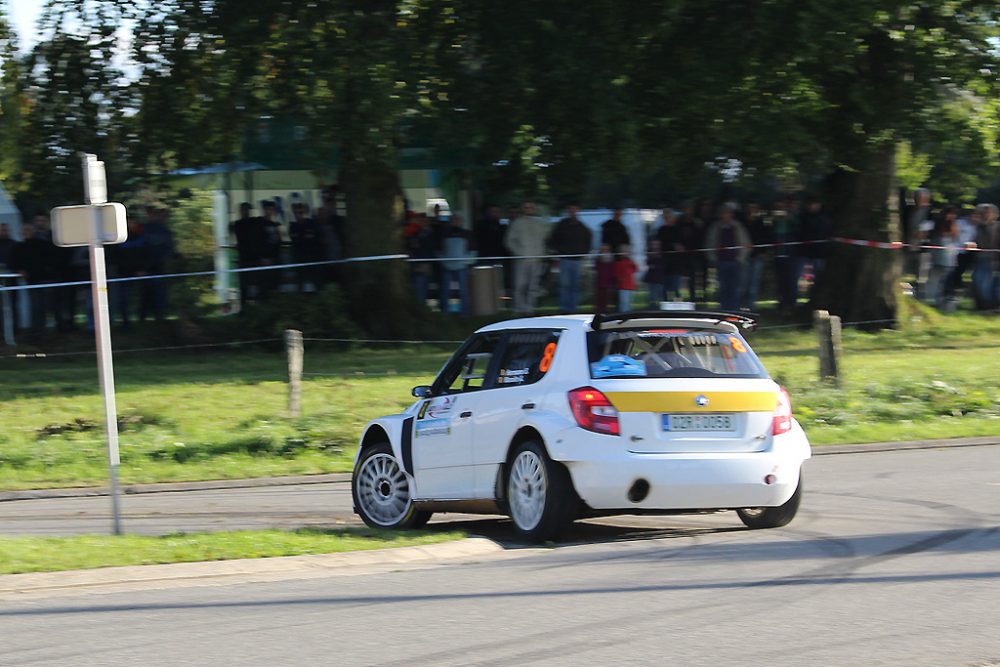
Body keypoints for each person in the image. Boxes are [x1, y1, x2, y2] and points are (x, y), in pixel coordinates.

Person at [8, 221, 52, 337]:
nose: (25, 233)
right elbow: (14, 263)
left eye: (28, 230)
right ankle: (36, 330)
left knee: (41, 306)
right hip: (31, 281)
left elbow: (48, 261)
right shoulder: (19, 248)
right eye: (24, 231)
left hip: (43, 279)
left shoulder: (42, 245)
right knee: (35, 305)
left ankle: (41, 329)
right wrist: (19, 270)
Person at [705, 203, 751, 311]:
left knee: (735, 288)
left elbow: (746, 243)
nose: (726, 215)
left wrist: (740, 259)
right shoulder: (715, 227)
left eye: (729, 213)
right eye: (724, 213)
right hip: (721, 262)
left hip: (735, 262)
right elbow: (709, 244)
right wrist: (713, 259)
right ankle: (724, 309)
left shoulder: (738, 226)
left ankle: (734, 310)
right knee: (723, 287)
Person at [547, 203, 592, 312]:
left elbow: (588, 241)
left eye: (575, 209)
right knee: (565, 285)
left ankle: (573, 308)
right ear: (568, 211)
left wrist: (583, 253)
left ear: (578, 210)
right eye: (570, 209)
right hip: (565, 259)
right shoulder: (562, 225)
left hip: (577, 260)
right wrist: (560, 251)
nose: (573, 212)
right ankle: (564, 307)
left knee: (575, 285)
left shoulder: (582, 227)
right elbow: (552, 239)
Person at [505, 202, 549, 313]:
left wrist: (541, 253)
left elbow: (544, 239)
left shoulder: (539, 223)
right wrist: (519, 252)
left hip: (536, 259)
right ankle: (518, 308)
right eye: (526, 207)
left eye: (531, 207)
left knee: (533, 285)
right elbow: (509, 241)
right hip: (522, 259)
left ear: (534, 209)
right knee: (520, 284)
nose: (529, 209)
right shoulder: (517, 223)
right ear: (523, 209)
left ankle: (530, 308)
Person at [140, 207, 176, 321]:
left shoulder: (165, 231)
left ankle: (159, 316)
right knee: (146, 293)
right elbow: (140, 248)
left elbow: (169, 248)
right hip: (147, 267)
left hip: (160, 266)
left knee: (160, 293)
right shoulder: (145, 229)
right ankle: (144, 316)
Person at [437, 215, 476, 314]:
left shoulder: (467, 234)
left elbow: (472, 250)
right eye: (453, 220)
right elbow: (439, 250)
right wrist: (444, 261)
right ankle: (444, 312)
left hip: (462, 266)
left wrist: (468, 262)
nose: (455, 222)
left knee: (464, 291)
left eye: (457, 220)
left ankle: (465, 313)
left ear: (461, 222)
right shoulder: (444, 234)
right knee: (445, 291)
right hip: (447, 266)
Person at [231, 202, 266, 308]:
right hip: (244, 258)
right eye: (243, 210)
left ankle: (258, 304)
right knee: (244, 285)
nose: (244, 212)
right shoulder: (239, 224)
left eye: (246, 210)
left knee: (258, 282)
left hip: (253, 257)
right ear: (240, 211)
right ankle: (244, 306)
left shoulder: (254, 222)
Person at [926, 207, 962, 311]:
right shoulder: (935, 225)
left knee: (944, 281)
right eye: (949, 213)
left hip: (949, 258)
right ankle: (930, 299)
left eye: (953, 214)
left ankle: (940, 301)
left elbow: (956, 240)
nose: (951, 216)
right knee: (934, 279)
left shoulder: (954, 225)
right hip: (938, 257)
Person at [741, 201, 774, 311]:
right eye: (751, 208)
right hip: (744, 256)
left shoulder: (762, 223)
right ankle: (742, 305)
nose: (753, 211)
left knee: (754, 283)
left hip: (757, 256)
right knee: (743, 282)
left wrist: (763, 252)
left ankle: (751, 305)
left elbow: (766, 238)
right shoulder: (743, 223)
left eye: (755, 208)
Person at [797, 196, 832, 296]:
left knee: (819, 277)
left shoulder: (825, 217)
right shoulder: (803, 216)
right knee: (802, 277)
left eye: (815, 204)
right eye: (811, 204)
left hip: (820, 253)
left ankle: (816, 295)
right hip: (805, 252)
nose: (813, 206)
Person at [771, 197, 801, 313]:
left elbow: (798, 228)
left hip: (791, 253)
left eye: (782, 206)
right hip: (779, 253)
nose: (780, 209)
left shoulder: (794, 217)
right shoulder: (775, 219)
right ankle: (782, 302)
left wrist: (789, 217)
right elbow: (771, 232)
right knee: (780, 279)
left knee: (791, 279)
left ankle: (791, 303)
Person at [676, 201, 706, 302]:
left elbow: (700, 239)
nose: (688, 211)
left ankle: (693, 298)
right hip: (681, 255)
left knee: (693, 278)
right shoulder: (679, 222)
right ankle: (678, 298)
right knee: (679, 277)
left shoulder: (697, 223)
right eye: (686, 209)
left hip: (694, 254)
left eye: (690, 209)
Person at [289, 202, 323, 291]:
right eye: (296, 213)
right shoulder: (293, 226)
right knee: (300, 283)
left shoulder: (311, 223)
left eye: (300, 212)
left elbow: (316, 239)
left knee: (317, 282)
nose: (298, 215)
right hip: (300, 258)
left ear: (304, 212)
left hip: (313, 257)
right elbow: (296, 241)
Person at [971, 203, 999, 310]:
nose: (986, 215)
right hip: (980, 257)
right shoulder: (978, 226)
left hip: (993, 258)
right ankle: (982, 304)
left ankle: (989, 304)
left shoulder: (996, 226)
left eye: (989, 213)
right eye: (984, 213)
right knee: (978, 281)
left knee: (988, 283)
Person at [406, 214, 438, 306]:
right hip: (415, 262)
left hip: (425, 262)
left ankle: (421, 306)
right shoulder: (415, 233)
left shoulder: (431, 234)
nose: (422, 223)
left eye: (424, 221)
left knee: (422, 285)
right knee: (416, 286)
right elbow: (411, 245)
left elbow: (429, 247)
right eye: (420, 221)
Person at [655, 208, 683, 302]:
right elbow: (658, 245)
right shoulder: (661, 230)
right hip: (664, 263)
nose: (667, 218)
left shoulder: (678, 230)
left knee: (675, 288)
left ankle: (679, 307)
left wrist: (679, 247)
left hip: (675, 264)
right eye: (665, 217)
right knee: (664, 290)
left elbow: (682, 246)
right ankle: (665, 307)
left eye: (669, 216)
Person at [614, 244, 638, 312]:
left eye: (627, 251)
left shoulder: (630, 262)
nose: (626, 253)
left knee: (629, 304)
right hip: (623, 287)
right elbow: (617, 275)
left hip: (631, 287)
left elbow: (635, 269)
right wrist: (621, 280)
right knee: (624, 304)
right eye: (624, 251)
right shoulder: (619, 263)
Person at [594, 243, 616, 314]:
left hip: (607, 282)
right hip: (600, 282)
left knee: (606, 298)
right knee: (600, 298)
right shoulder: (598, 259)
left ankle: (605, 310)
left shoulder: (611, 260)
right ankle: (600, 310)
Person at [644, 238, 667, 307]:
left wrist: (654, 265)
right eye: (653, 244)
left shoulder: (662, 254)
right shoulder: (649, 253)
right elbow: (648, 264)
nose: (655, 246)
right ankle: (652, 309)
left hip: (659, 279)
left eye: (657, 244)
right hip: (651, 278)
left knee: (660, 296)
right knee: (652, 297)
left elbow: (662, 265)